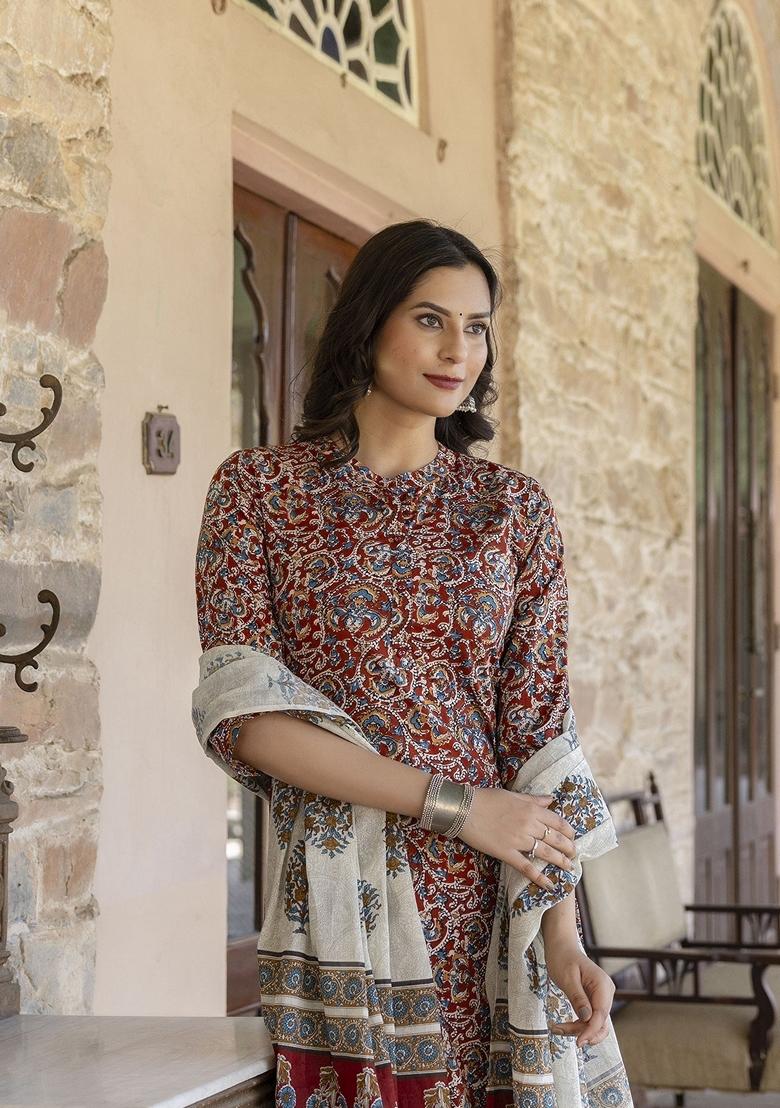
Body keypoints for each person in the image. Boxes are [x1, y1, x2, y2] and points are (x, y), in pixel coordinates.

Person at [192, 219, 632, 1107]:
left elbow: (540, 736)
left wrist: (561, 933)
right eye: (431, 319)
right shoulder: (260, 493)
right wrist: (460, 809)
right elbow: (249, 721)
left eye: (476, 327)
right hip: (345, 901)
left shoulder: (510, 509)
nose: (457, 350)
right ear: (369, 324)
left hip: (494, 896)